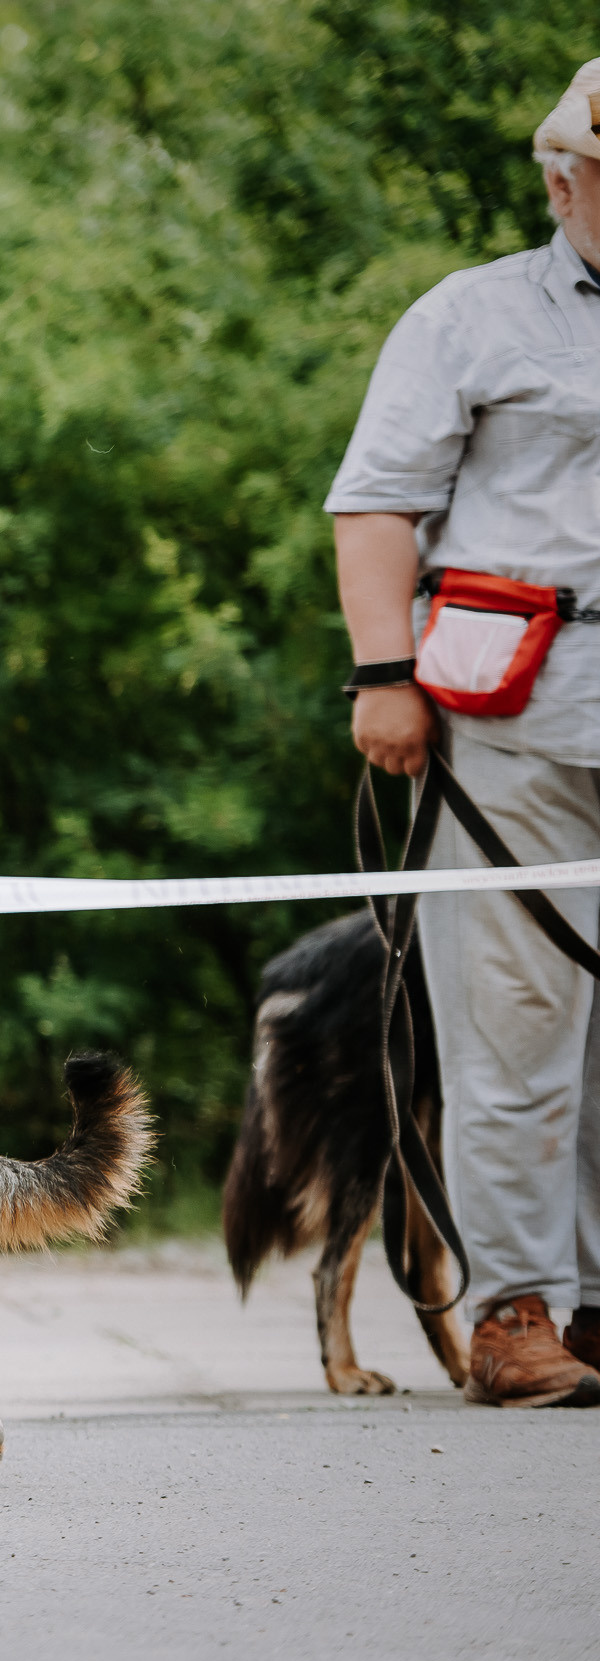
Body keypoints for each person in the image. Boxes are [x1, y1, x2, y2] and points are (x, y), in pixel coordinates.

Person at [328, 60, 600, 1409]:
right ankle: (515, 1309)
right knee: (515, 1026)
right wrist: (386, 674)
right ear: (562, 177)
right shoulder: (470, 318)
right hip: (517, 719)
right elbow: (376, 503)